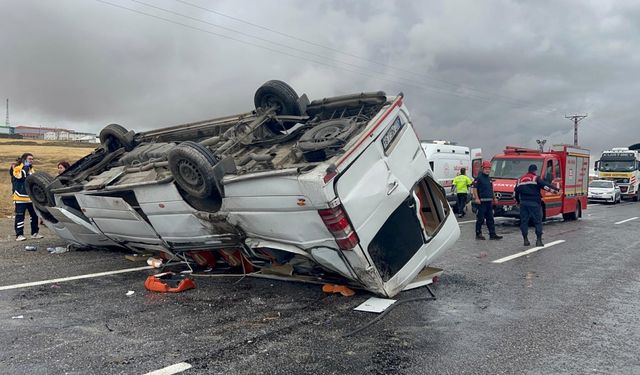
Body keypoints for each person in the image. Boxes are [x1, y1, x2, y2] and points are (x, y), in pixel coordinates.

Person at [514, 164, 560, 247]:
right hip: (535, 203)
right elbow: (546, 186)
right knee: (538, 222)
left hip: (524, 203)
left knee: (524, 222)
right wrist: (556, 191)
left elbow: (516, 193)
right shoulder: (536, 178)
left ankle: (525, 240)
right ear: (534, 171)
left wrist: (517, 201)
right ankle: (538, 241)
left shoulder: (520, 180)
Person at [11, 153, 43, 241]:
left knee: (34, 215)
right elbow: (21, 176)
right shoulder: (17, 169)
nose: (31, 160)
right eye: (29, 159)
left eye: (32, 159)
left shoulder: (31, 169)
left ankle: (35, 233)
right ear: (24, 159)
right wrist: (25, 167)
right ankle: (19, 235)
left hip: (30, 197)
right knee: (20, 216)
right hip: (20, 197)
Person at [471, 160, 502, 240]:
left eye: (489, 169)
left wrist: (494, 198)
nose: (488, 170)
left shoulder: (489, 178)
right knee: (480, 219)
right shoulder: (479, 178)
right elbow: (474, 188)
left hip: (489, 202)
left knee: (490, 219)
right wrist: (477, 198)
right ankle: (478, 233)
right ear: (482, 169)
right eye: (486, 168)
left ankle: (492, 234)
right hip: (481, 202)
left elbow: (491, 189)